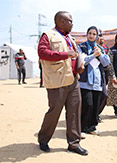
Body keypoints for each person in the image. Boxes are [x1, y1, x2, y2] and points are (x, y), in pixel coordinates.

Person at [37, 11, 88, 155]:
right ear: (61, 21)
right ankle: (43, 139)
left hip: (72, 80)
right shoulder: (48, 35)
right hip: (56, 81)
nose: (72, 24)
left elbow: (74, 56)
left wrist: (79, 65)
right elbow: (42, 53)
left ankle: (74, 143)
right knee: (54, 112)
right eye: (70, 21)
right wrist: (66, 55)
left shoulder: (70, 38)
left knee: (74, 112)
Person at [78, 26, 110, 137]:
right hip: (85, 81)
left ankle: (92, 127)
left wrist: (100, 54)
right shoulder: (81, 47)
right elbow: (82, 61)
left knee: (96, 106)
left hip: (97, 81)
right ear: (87, 34)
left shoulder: (100, 48)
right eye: (90, 33)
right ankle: (82, 128)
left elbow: (106, 62)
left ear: (97, 36)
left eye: (94, 34)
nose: (91, 35)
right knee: (87, 105)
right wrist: (93, 55)